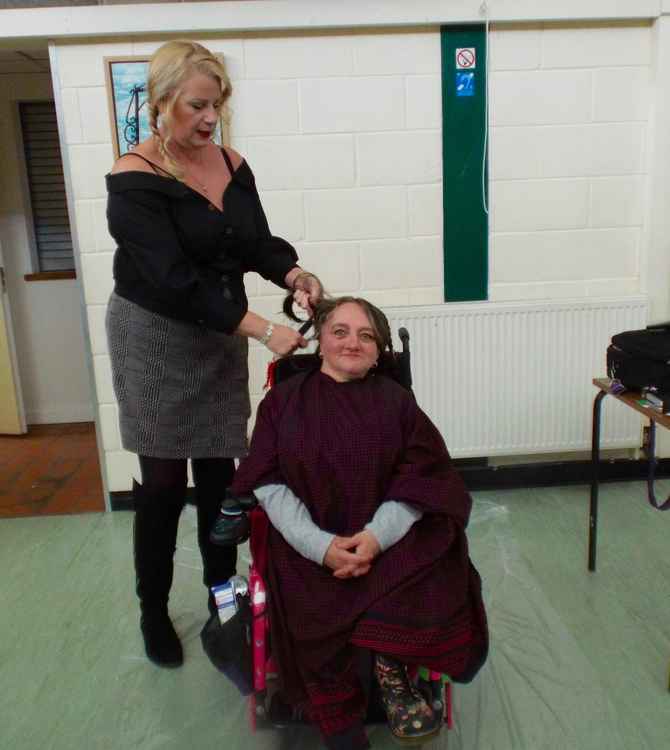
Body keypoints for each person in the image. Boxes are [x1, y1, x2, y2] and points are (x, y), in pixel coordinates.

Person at [104, 39, 323, 669]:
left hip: (221, 331)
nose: (208, 118)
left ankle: (220, 594)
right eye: (197, 105)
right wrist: (260, 329)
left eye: (217, 105)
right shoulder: (134, 179)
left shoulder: (231, 161)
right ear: (163, 101)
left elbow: (255, 241)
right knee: (166, 484)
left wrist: (294, 275)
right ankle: (153, 608)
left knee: (221, 476)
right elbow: (172, 279)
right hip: (156, 338)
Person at [230, 297, 488, 750]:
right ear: (321, 340)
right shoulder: (283, 402)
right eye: (341, 331)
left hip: (383, 537)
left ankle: (390, 668)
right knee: (308, 594)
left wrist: (373, 538)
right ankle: (345, 719)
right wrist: (321, 546)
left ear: (379, 350)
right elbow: (267, 483)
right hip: (307, 540)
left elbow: (422, 482)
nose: (353, 342)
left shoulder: (399, 404)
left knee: (441, 544)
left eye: (366, 335)